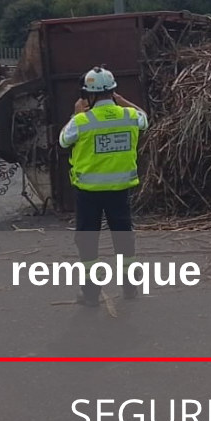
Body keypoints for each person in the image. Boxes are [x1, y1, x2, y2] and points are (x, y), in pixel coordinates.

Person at [59, 66, 148, 306]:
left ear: (89, 95)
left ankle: (91, 294)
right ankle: (130, 288)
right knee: (124, 237)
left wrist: (75, 114)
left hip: (89, 193)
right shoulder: (129, 116)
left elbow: (63, 140)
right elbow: (144, 118)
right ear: (113, 91)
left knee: (88, 240)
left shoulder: (81, 121)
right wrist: (122, 101)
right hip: (120, 190)